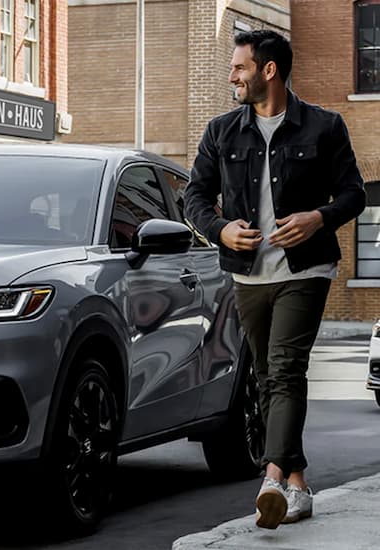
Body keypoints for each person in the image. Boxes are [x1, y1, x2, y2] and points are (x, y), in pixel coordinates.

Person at [185, 30, 365, 529]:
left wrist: (318, 218)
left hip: (306, 268)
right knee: (267, 375)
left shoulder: (324, 127)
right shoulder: (222, 131)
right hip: (248, 274)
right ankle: (298, 483)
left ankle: (270, 477)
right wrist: (220, 230)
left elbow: (353, 194)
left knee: (283, 368)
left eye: (239, 67)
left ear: (269, 71)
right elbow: (194, 197)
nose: (231, 76)